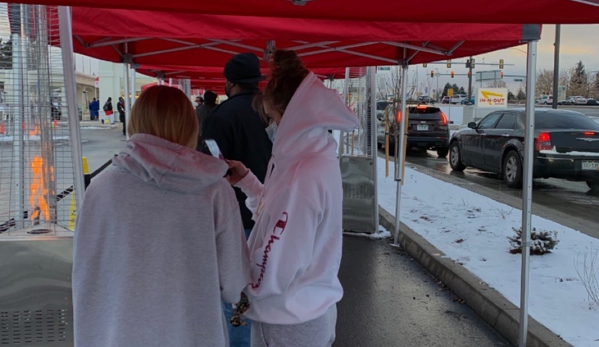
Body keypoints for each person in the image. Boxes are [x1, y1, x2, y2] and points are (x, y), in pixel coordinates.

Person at [72, 86, 250, 347]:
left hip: (115, 334)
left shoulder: (101, 188)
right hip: (192, 333)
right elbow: (232, 283)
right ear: (190, 125)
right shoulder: (213, 190)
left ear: (136, 122)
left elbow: (86, 271)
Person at [226, 50, 359, 347]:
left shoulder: (302, 174)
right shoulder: (313, 157)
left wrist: (240, 284)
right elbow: (279, 216)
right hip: (305, 312)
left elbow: (280, 258)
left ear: (294, 118)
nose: (269, 126)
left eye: (272, 118)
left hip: (287, 322)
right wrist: (248, 182)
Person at [201, 52, 272, 347]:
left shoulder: (222, 116)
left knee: (237, 299)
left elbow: (210, 167)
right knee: (266, 289)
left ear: (229, 83)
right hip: (274, 215)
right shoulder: (272, 112)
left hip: (234, 218)